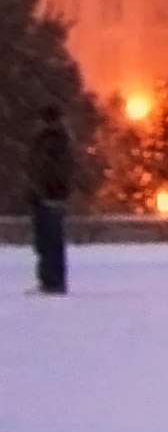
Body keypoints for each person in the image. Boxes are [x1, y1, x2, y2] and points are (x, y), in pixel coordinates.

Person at [28, 103, 74, 297]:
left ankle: (53, 282)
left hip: (50, 195)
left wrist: (54, 191)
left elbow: (59, 169)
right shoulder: (44, 140)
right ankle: (48, 280)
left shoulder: (56, 141)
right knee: (44, 241)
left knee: (51, 240)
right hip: (41, 194)